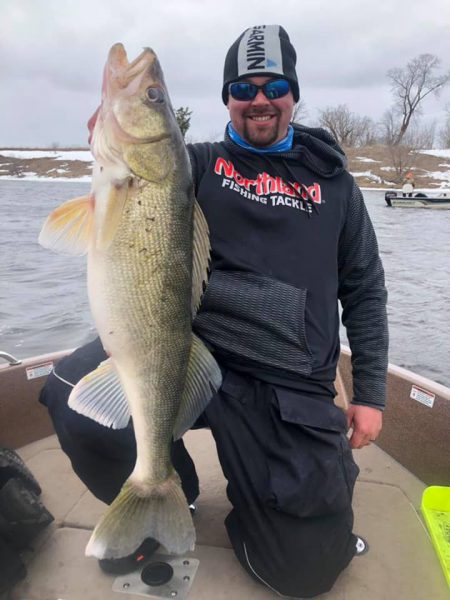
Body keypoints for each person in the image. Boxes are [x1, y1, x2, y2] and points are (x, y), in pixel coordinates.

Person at [39, 25, 388, 598]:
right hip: (190, 353)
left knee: (302, 573)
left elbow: (366, 288)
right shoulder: (192, 165)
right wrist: (107, 137)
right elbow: (133, 191)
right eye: (243, 88)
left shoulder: (337, 188)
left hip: (286, 382)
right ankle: (172, 490)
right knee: (69, 393)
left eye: (274, 86)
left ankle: (298, 488)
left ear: (293, 94)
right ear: (227, 98)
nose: (259, 99)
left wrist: (370, 394)